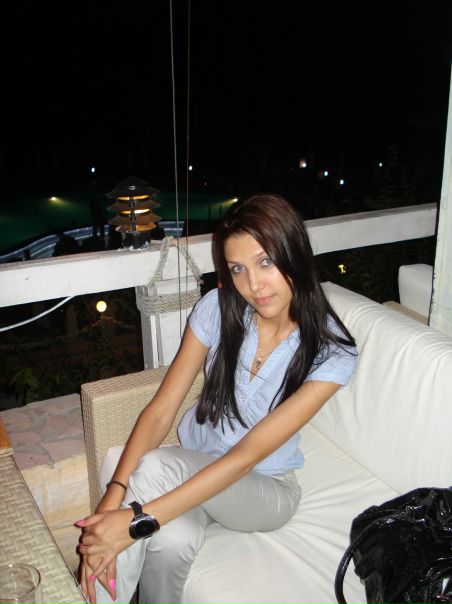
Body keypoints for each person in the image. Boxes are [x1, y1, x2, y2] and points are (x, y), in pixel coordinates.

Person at [76, 193, 357, 604]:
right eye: (238, 269)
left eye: (266, 262)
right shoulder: (218, 309)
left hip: (264, 490)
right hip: (196, 465)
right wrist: (112, 498)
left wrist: (131, 523)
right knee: (174, 538)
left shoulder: (330, 353)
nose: (253, 285)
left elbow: (245, 456)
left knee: (155, 468)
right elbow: (161, 410)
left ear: (295, 254)